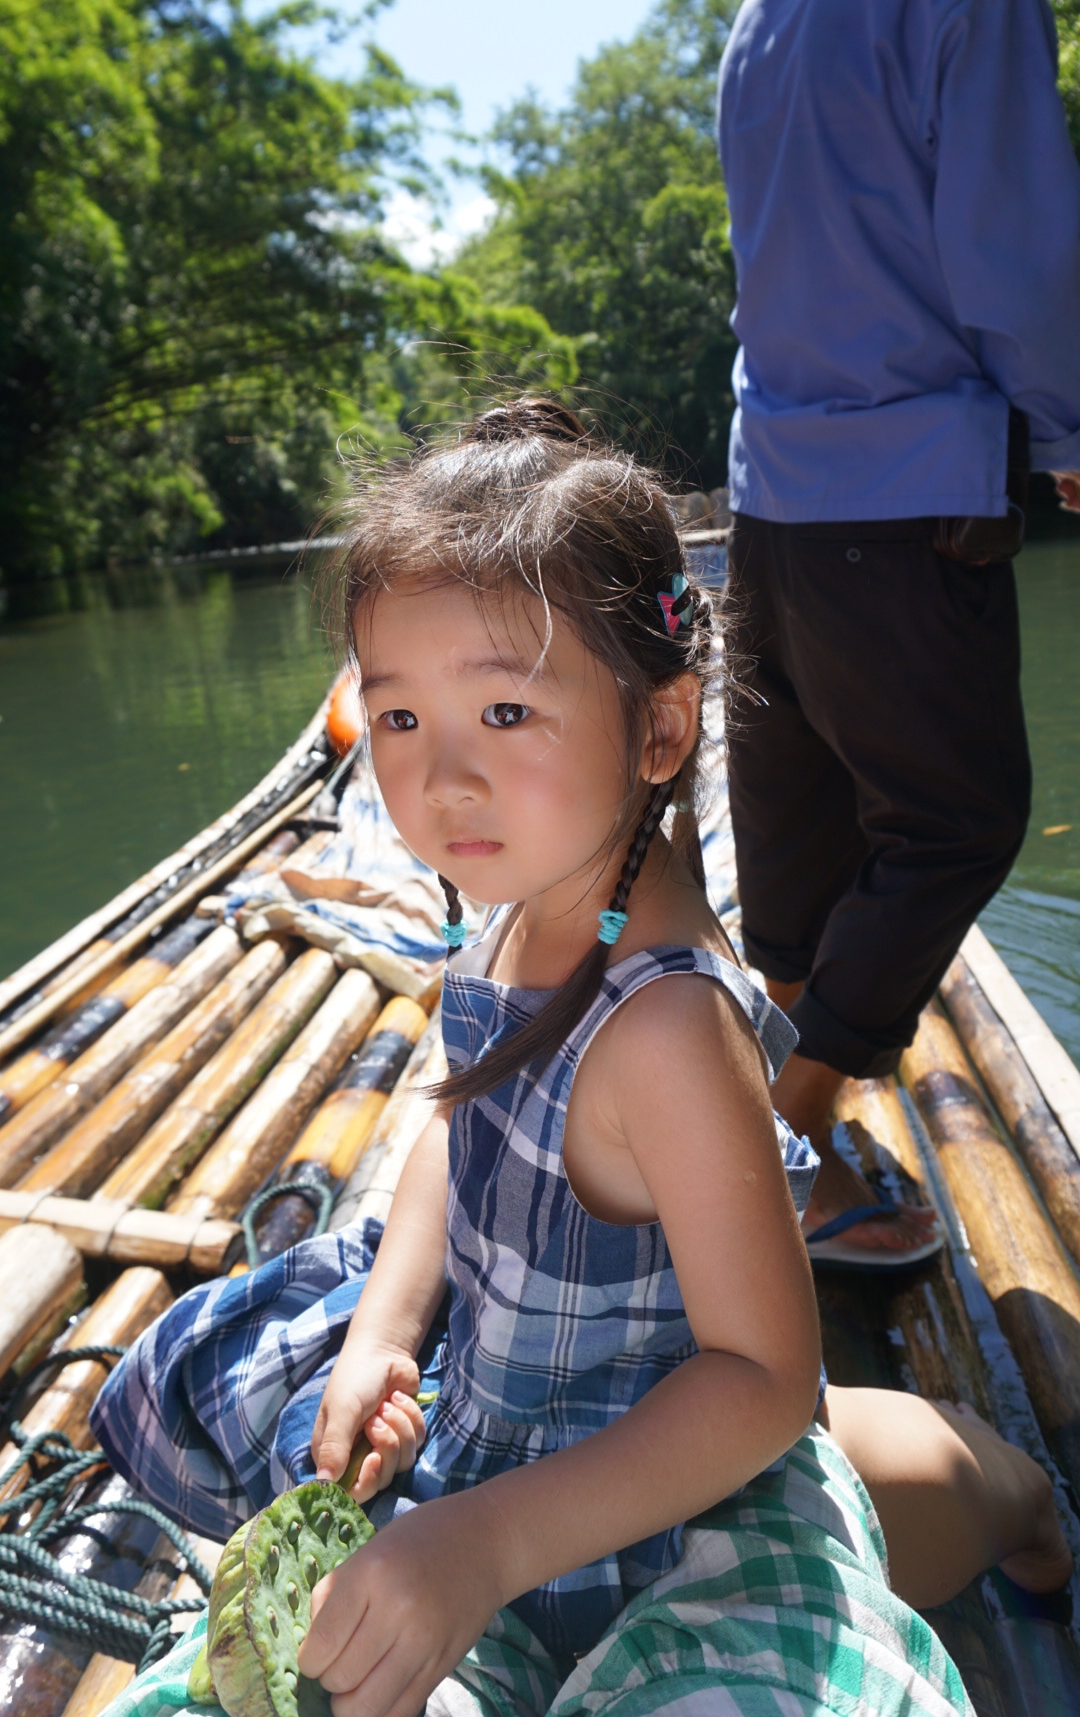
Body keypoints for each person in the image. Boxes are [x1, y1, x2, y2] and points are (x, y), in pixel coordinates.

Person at [92, 401, 1068, 1717]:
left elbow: (767, 1382)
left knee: (828, 1491)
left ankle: (1015, 1492)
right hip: (493, 1427)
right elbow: (458, 1121)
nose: (441, 781)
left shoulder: (661, 1026)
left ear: (660, 735)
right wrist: (385, 1324)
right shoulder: (521, 913)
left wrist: (482, 1544)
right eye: (396, 721)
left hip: (678, 1499)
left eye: (504, 710)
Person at [717, 0, 1080, 1258]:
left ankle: (773, 1108)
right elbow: (1013, 254)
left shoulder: (766, 6)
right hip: (907, 495)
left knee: (798, 830)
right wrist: (1066, 431)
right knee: (958, 817)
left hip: (770, 499)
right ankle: (773, 1146)